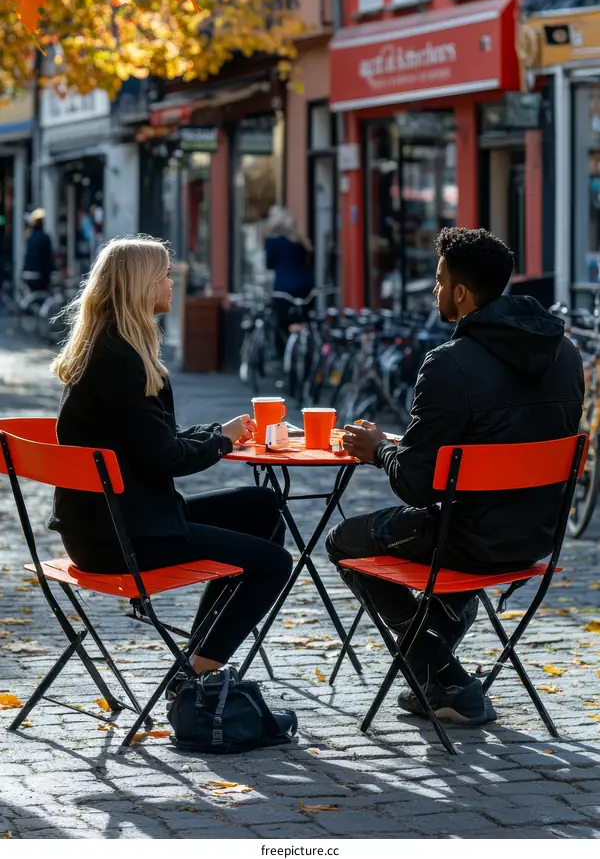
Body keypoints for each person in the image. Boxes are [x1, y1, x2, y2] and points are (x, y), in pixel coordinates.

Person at [326, 227, 584, 726]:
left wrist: (378, 449)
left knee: (343, 540)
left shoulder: (448, 364)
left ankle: (441, 672)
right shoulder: (566, 352)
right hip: (538, 534)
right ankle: (439, 651)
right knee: (444, 567)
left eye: (439, 280)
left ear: (461, 292)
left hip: (470, 541)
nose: (435, 291)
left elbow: (417, 485)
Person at [49, 236, 293, 675]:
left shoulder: (106, 348)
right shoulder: (121, 360)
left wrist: (218, 433)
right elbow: (164, 458)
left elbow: (150, 438)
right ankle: (196, 673)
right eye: (164, 274)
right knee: (275, 563)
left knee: (261, 506)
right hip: (123, 540)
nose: (171, 281)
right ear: (141, 284)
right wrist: (222, 442)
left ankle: (200, 652)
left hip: (110, 525)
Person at [264, 206, 314, 355]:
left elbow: (269, 264)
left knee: (281, 323)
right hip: (305, 288)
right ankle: (306, 353)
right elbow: (307, 263)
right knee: (303, 321)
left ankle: (283, 357)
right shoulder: (300, 241)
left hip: (283, 289)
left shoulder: (272, 241)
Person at [23, 208, 54, 292]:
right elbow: (47, 258)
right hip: (39, 275)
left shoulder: (29, 237)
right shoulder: (44, 238)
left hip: (26, 273)